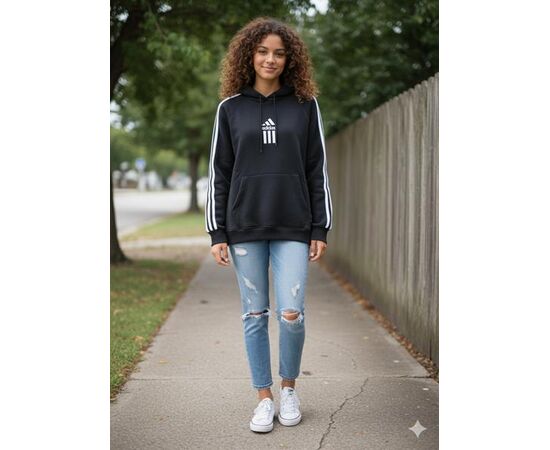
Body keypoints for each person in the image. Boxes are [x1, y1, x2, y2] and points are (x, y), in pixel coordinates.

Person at [205, 16, 333, 433]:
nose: (270, 59)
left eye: (279, 53)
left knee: (291, 313)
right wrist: (217, 232)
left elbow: (317, 169)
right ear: (249, 55)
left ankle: (289, 389)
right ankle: (264, 398)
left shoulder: (305, 105)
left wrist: (320, 227)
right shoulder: (230, 108)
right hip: (244, 226)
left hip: (294, 225)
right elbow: (219, 173)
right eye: (262, 51)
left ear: (289, 59)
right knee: (255, 314)